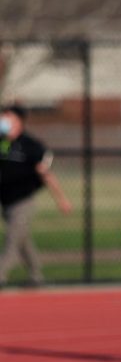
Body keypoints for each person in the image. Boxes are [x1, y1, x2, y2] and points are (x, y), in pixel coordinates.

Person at [0, 104, 72, 287]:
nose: (3, 121)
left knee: (13, 241)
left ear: (18, 120)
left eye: (7, 117)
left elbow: (46, 175)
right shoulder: (3, 142)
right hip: (6, 202)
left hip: (23, 202)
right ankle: (36, 276)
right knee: (22, 241)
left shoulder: (31, 146)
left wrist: (61, 200)